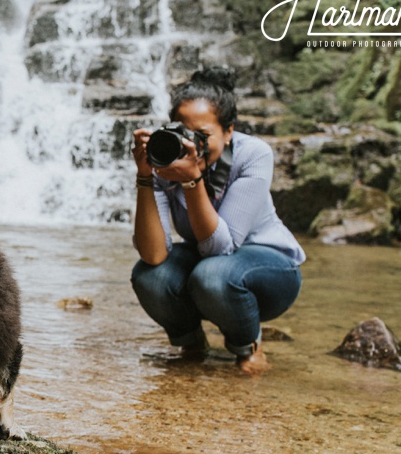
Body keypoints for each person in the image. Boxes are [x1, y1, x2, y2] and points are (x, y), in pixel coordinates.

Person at [130, 67, 304, 374]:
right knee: (149, 276)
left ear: (229, 131)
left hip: (271, 269)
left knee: (212, 274)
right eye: (184, 131)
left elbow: (220, 248)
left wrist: (191, 181)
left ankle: (247, 346)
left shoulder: (253, 154)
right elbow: (153, 254)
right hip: (208, 262)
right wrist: (145, 176)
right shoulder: (167, 156)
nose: (193, 144)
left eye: (203, 135)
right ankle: (192, 345)